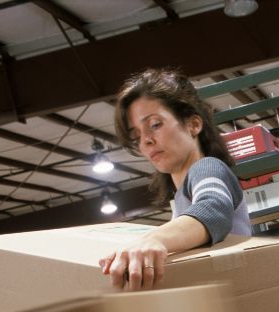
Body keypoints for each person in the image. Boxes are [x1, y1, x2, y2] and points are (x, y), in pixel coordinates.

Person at [99, 67, 250, 290]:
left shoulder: (208, 168)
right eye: (136, 136)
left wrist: (154, 240)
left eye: (155, 124)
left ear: (193, 125)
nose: (146, 141)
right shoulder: (182, 199)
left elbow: (214, 208)